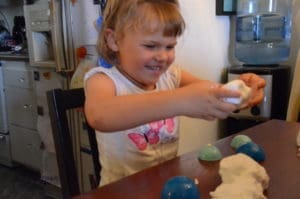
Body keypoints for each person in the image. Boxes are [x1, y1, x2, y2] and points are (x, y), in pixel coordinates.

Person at [84, 0, 266, 186]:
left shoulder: (170, 76)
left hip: (166, 185)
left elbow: (217, 95)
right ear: (114, 40)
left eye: (169, 46)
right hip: (120, 192)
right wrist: (180, 100)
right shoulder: (103, 80)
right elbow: (100, 115)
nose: (163, 57)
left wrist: (242, 90)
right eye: (150, 46)